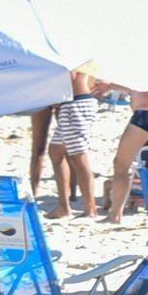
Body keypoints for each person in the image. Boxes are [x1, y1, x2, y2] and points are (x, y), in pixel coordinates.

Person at [104, 89, 148, 223]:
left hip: (146, 114)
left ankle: (116, 215)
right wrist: (111, 85)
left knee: (121, 165)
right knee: (143, 166)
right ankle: (116, 213)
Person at [48, 73, 100, 219]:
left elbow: (70, 76)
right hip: (74, 102)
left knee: (79, 157)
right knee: (55, 151)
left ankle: (90, 210)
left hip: (76, 103)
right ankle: (64, 206)